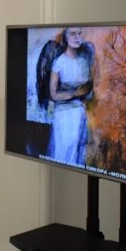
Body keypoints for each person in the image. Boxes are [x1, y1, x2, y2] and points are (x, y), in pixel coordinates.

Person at [36, 27, 94, 166]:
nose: (77, 37)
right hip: (63, 115)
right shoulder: (59, 62)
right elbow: (53, 94)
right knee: (62, 152)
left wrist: (80, 93)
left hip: (79, 113)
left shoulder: (83, 62)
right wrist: (74, 93)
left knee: (76, 152)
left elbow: (87, 89)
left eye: (79, 33)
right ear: (66, 38)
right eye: (72, 34)